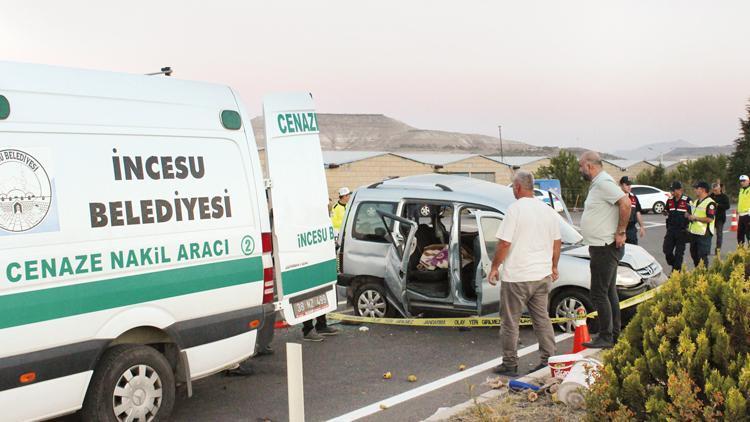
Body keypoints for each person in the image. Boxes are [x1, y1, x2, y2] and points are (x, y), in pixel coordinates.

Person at [488, 171, 560, 376]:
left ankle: (510, 363)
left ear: (518, 187)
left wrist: (494, 267)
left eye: (513, 186)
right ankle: (548, 359)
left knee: (510, 322)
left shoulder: (515, 210)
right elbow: (557, 243)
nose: (512, 190)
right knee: (542, 319)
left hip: (517, 277)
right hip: (541, 275)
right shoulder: (548, 211)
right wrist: (554, 266)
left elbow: (504, 243)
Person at [577, 151, 631, 350]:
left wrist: (621, 231)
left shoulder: (603, 183)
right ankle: (613, 334)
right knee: (608, 292)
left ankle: (606, 336)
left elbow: (625, 203)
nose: (580, 170)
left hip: (604, 247)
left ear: (590, 166)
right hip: (602, 246)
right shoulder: (599, 184)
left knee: (599, 293)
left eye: (581, 166)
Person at [301, 188, 351, 341]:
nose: (329, 204)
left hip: (322, 260)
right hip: (310, 262)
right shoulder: (307, 221)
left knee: (322, 295)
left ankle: (321, 325)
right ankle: (307, 329)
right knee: (309, 296)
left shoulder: (324, 219)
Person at [662, 181, 691, 273]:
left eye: (673, 190)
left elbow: (693, 212)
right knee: (667, 250)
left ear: (680, 190)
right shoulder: (670, 200)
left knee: (679, 254)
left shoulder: (687, 200)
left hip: (682, 231)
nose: (672, 192)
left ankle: (675, 272)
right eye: (671, 190)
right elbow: (666, 210)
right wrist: (665, 212)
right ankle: (675, 265)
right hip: (671, 230)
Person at [688, 181, 716, 268]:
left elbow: (710, 219)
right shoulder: (696, 201)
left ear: (703, 190)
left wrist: (696, 218)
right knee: (694, 255)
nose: (695, 190)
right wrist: (688, 216)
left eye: (697, 188)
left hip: (704, 234)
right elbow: (692, 214)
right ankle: (698, 274)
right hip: (694, 233)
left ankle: (704, 276)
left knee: (702, 257)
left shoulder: (710, 203)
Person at [619, 176, 645, 245]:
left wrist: (641, 226)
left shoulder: (634, 197)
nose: (629, 187)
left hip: (631, 229)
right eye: (627, 185)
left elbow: (637, 212)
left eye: (630, 185)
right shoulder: (617, 197)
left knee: (633, 250)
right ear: (621, 185)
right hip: (619, 229)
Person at [710, 182, 730, 256]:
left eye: (716, 190)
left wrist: (719, 205)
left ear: (719, 189)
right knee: (709, 234)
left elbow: (727, 206)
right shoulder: (711, 196)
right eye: (714, 190)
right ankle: (707, 249)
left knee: (719, 234)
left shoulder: (724, 197)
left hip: (720, 218)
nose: (715, 192)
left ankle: (717, 250)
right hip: (711, 218)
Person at [737, 175, 750, 246]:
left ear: (748, 181)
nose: (742, 182)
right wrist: (737, 212)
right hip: (741, 215)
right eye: (741, 181)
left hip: (748, 215)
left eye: (744, 181)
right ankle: (741, 252)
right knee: (740, 235)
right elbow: (740, 202)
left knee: (749, 234)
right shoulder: (741, 190)